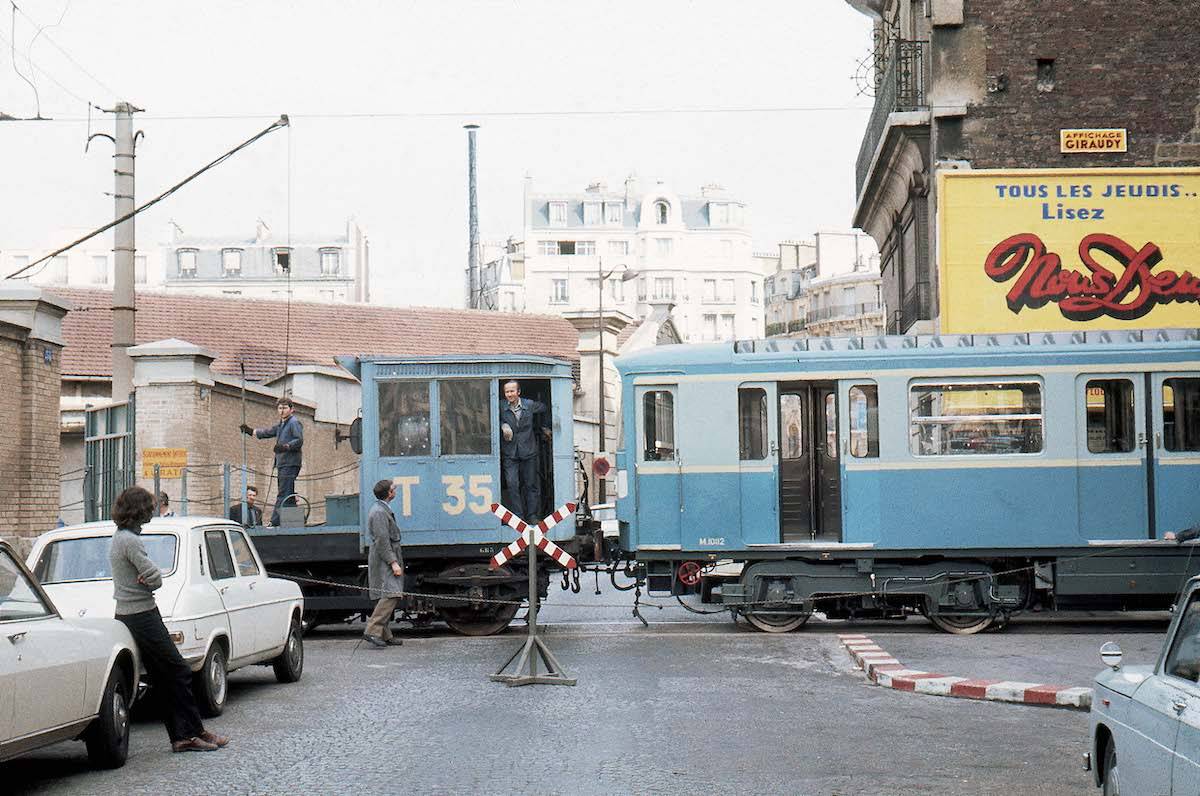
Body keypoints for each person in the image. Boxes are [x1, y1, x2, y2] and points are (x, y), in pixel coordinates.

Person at [109, 485, 229, 753]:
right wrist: (152, 579)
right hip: (141, 615)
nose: (152, 513)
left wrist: (148, 578)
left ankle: (189, 733)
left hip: (135, 612)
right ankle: (189, 734)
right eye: (149, 509)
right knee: (178, 671)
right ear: (138, 511)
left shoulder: (122, 537)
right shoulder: (130, 540)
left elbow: (148, 576)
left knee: (165, 676)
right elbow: (155, 577)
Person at [241, 397, 303, 526]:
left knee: (283, 491)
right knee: (288, 491)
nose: (281, 411)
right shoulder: (282, 424)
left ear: (292, 409)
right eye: (280, 408)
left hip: (290, 462)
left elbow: (299, 440)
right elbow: (268, 432)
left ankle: (274, 521)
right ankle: (293, 521)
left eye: (285, 408)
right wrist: (251, 431)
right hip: (283, 462)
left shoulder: (293, 423)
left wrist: (285, 446)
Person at [499, 380, 552, 521]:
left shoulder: (529, 405)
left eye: (512, 391)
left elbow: (546, 407)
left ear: (518, 392)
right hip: (510, 452)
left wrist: (545, 426)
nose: (509, 394)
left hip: (529, 450)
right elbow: (490, 418)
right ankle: (518, 516)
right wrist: (502, 425)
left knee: (531, 485)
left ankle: (532, 516)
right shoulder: (500, 406)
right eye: (507, 392)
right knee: (512, 484)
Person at [363, 479, 404, 648]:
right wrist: (393, 562)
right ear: (389, 493)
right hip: (384, 559)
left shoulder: (381, 508)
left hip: (385, 556)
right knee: (391, 594)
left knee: (386, 593)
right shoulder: (379, 512)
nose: (396, 490)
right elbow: (382, 540)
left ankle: (386, 635)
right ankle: (372, 631)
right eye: (394, 488)